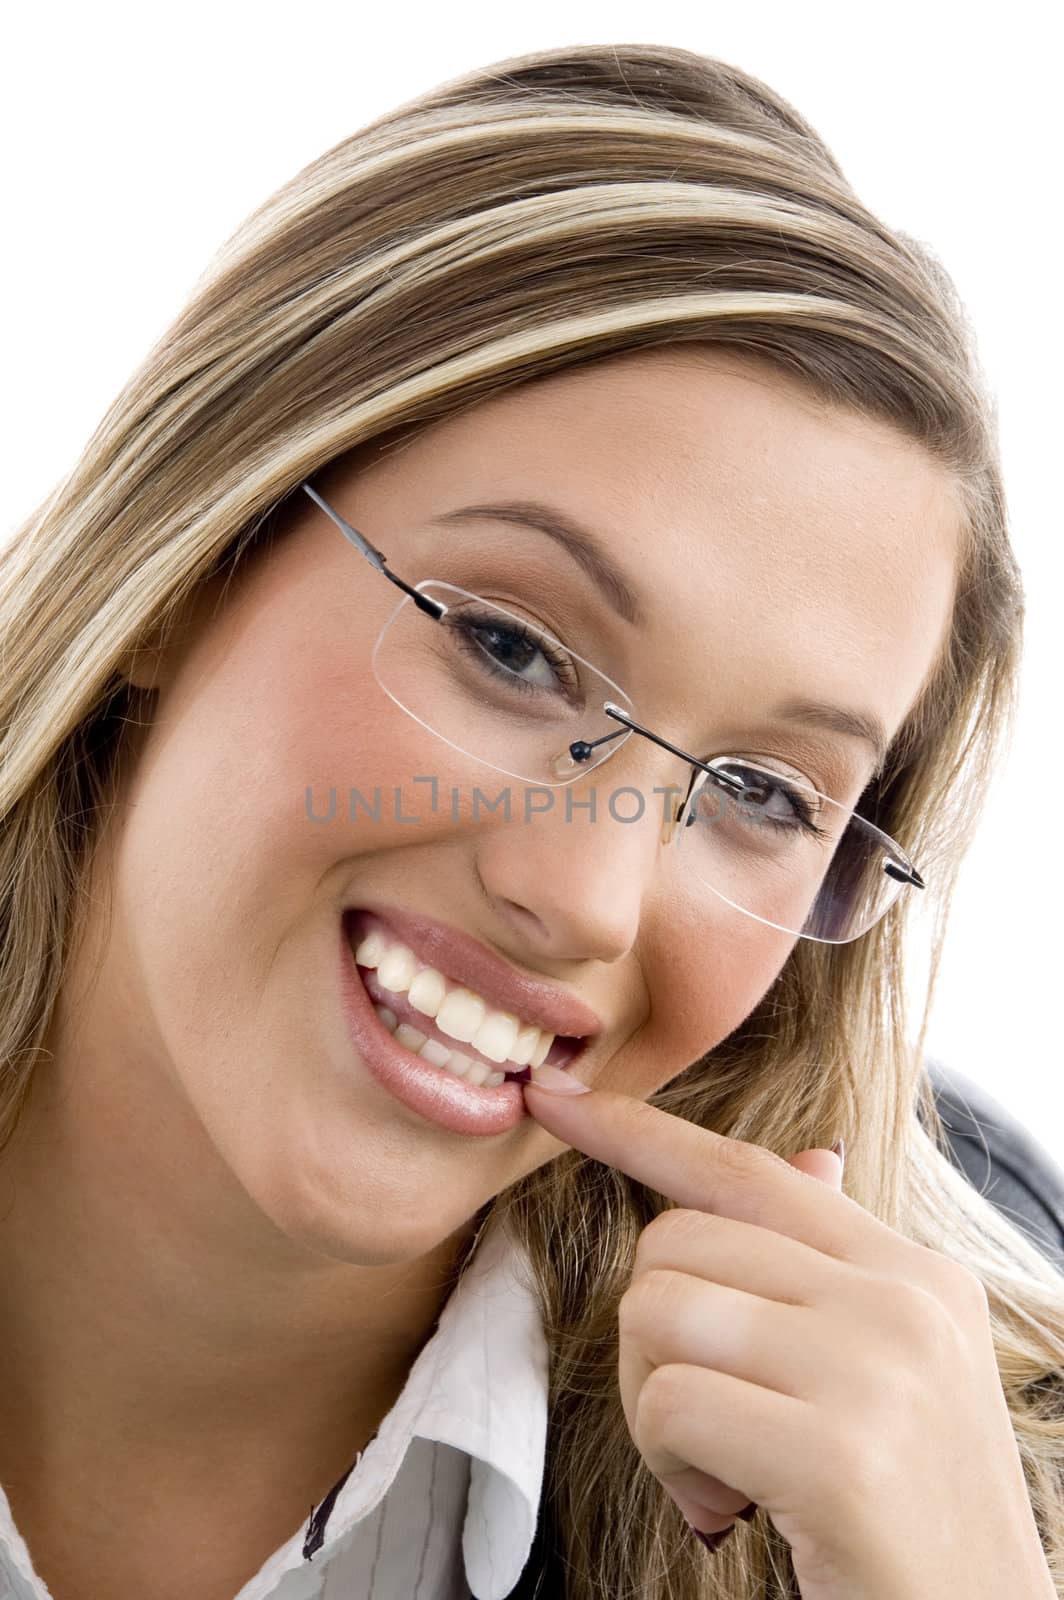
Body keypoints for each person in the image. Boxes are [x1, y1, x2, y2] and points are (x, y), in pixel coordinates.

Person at [0, 40, 1060, 1600]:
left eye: (762, 794)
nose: (587, 897)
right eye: (510, 647)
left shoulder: (983, 1462)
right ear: (194, 550)